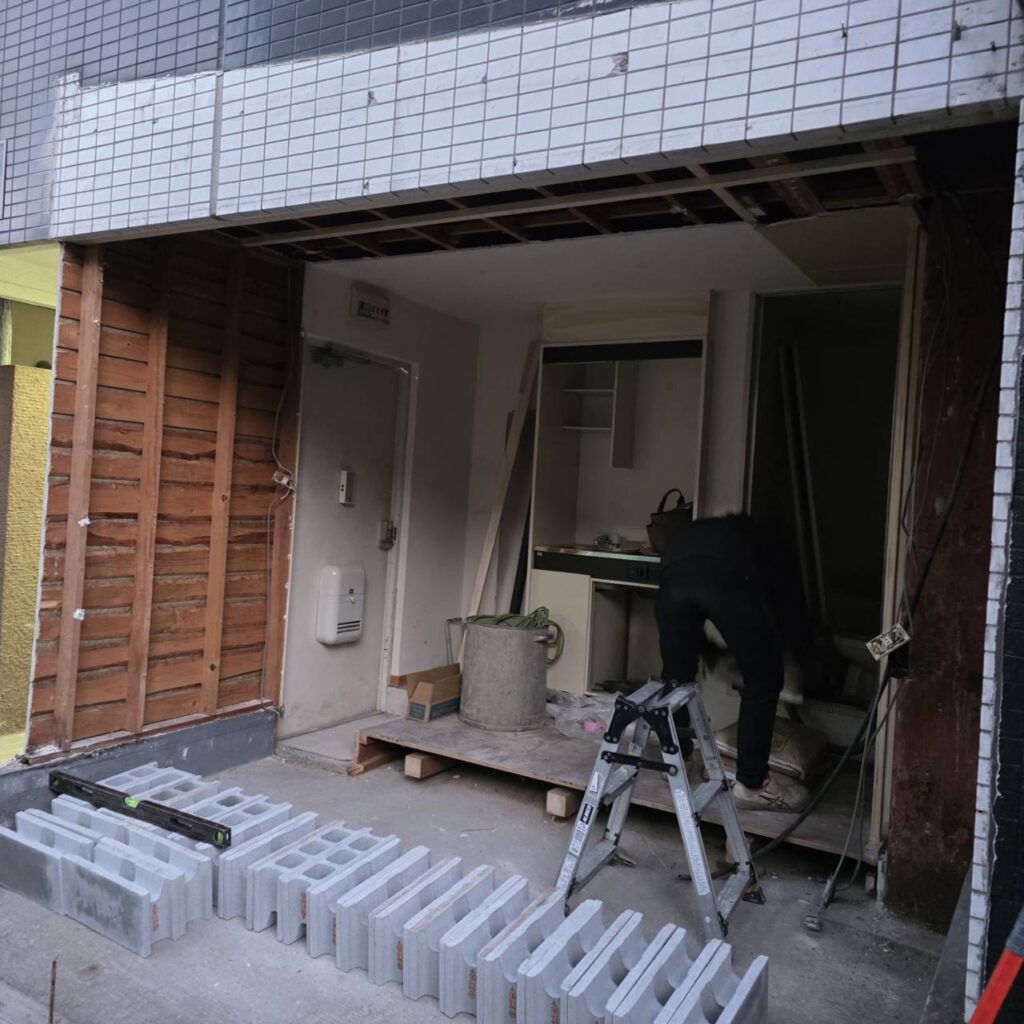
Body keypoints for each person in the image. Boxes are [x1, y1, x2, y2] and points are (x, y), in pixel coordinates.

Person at [656, 512, 810, 812]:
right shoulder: (769, 548)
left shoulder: (705, 533)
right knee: (763, 679)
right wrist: (792, 652)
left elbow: (689, 597)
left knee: (676, 676)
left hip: (671, 574)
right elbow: (784, 604)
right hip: (720, 575)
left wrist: (711, 653)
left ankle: (676, 762)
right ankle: (753, 785)